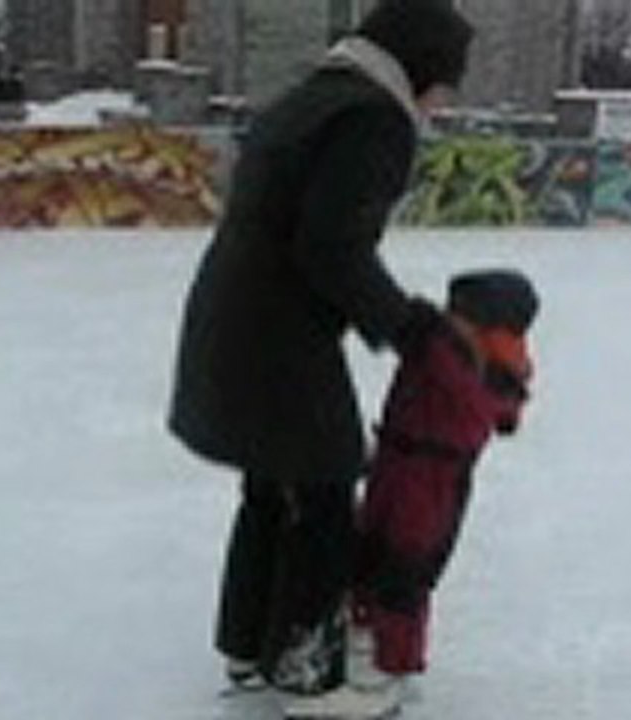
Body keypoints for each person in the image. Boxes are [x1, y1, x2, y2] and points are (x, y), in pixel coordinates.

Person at [166, 0, 474, 716]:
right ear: (420, 66)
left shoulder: (314, 97)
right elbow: (331, 249)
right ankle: (307, 675)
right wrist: (414, 330)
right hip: (278, 334)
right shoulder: (374, 118)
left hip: (233, 318)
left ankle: (249, 648)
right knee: (327, 483)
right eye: (448, 83)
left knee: (275, 485)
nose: (445, 102)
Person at [350, 270, 538, 690]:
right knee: (368, 548)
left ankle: (391, 667)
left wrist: (417, 324)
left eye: (460, 312)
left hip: (430, 482)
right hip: (397, 466)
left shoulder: (467, 358)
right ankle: (364, 633)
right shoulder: (461, 350)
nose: (449, 317)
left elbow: (480, 402)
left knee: (406, 565)